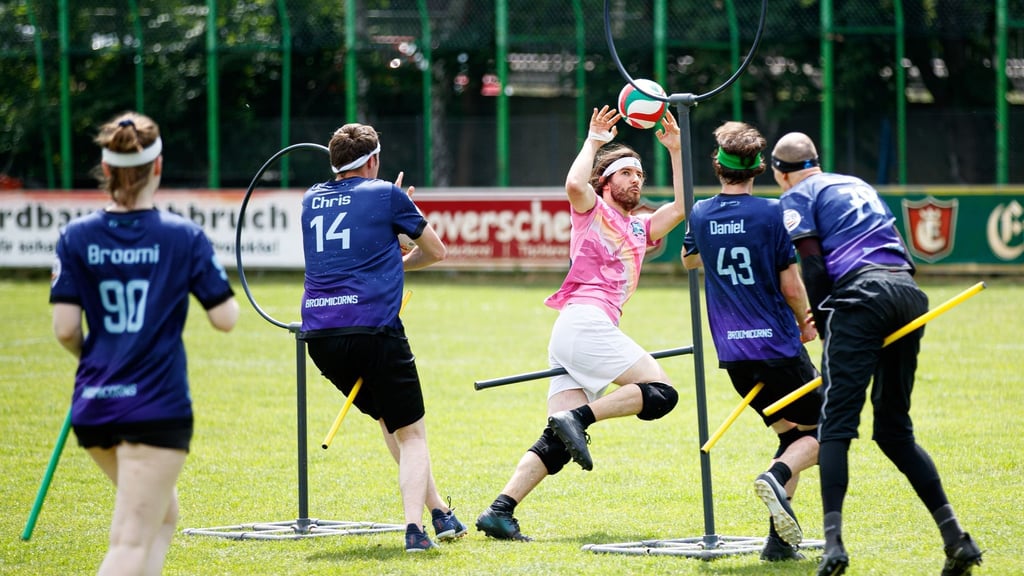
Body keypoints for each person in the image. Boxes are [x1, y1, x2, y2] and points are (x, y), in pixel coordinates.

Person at [772, 132, 983, 576]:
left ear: (780, 173)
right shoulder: (856, 185)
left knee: (835, 428)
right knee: (893, 430)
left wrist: (826, 323)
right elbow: (901, 252)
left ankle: (833, 546)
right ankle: (956, 539)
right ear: (817, 160)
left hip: (860, 298)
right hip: (907, 293)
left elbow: (811, 263)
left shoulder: (796, 196)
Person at [476, 105, 687, 541]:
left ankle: (500, 511)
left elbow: (683, 207)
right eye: (627, 173)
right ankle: (581, 415)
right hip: (584, 323)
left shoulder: (640, 229)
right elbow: (574, 183)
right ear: (606, 183)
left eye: (640, 175)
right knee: (662, 393)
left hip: (580, 331)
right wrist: (594, 141)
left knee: (557, 442)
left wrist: (676, 150)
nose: (635, 180)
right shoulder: (590, 211)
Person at [50, 111, 240, 576]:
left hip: (95, 405)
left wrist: (98, 359)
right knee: (130, 542)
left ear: (107, 170)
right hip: (156, 408)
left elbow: (65, 330)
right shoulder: (184, 236)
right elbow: (225, 319)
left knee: (163, 514)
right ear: (158, 167)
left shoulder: (74, 236)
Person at [297, 123, 466, 553]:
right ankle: (414, 531)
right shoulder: (387, 195)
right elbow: (437, 251)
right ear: (372, 160)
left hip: (321, 338)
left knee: (390, 421)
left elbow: (352, 248)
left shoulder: (309, 199)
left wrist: (388, 248)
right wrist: (398, 231)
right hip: (374, 329)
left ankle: (441, 513)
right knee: (412, 435)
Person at [681, 121, 821, 562]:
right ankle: (776, 476)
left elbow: (689, 261)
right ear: (758, 167)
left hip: (735, 356)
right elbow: (792, 286)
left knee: (792, 435)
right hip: (778, 348)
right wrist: (806, 322)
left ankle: (778, 545)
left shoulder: (701, 214)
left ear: (718, 166)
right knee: (829, 431)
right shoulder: (771, 212)